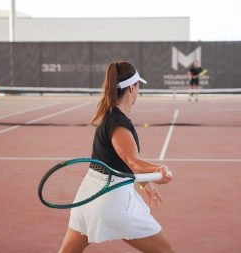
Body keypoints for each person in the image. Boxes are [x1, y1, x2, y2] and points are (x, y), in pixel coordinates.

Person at [58, 61, 176, 253]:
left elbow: (119, 161)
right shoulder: (118, 123)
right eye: (138, 86)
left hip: (88, 199)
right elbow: (132, 161)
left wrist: (145, 183)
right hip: (113, 201)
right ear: (131, 87)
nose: (138, 91)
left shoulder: (110, 117)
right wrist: (158, 169)